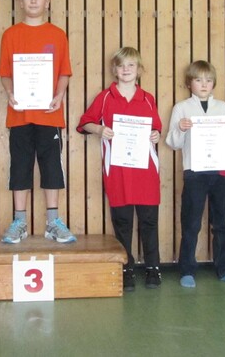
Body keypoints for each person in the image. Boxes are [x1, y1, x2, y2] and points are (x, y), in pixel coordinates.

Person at [0, 0, 76, 244]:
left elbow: (64, 71)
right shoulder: (10, 35)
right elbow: (5, 73)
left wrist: (59, 95)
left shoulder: (57, 34)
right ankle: (19, 222)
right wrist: (10, 93)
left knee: (52, 167)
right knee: (20, 167)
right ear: (21, 1)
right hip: (20, 115)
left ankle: (53, 222)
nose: (33, 1)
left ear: (48, 1)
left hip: (49, 115)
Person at [77, 47, 162, 291]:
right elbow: (85, 123)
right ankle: (126, 268)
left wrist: (156, 135)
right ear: (114, 70)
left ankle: (153, 268)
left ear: (139, 70)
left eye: (131, 65)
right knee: (123, 222)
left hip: (145, 171)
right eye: (121, 65)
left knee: (149, 221)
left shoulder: (148, 98)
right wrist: (99, 129)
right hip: (117, 171)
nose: (126, 70)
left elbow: (156, 128)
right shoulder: (105, 97)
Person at [166, 61, 225, 288]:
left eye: (208, 80)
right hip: (195, 172)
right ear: (189, 83)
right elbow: (172, 143)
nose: (203, 84)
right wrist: (180, 128)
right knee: (191, 223)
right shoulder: (181, 108)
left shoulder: (222, 107)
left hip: (220, 171)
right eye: (198, 80)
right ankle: (187, 270)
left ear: (214, 84)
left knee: (222, 224)